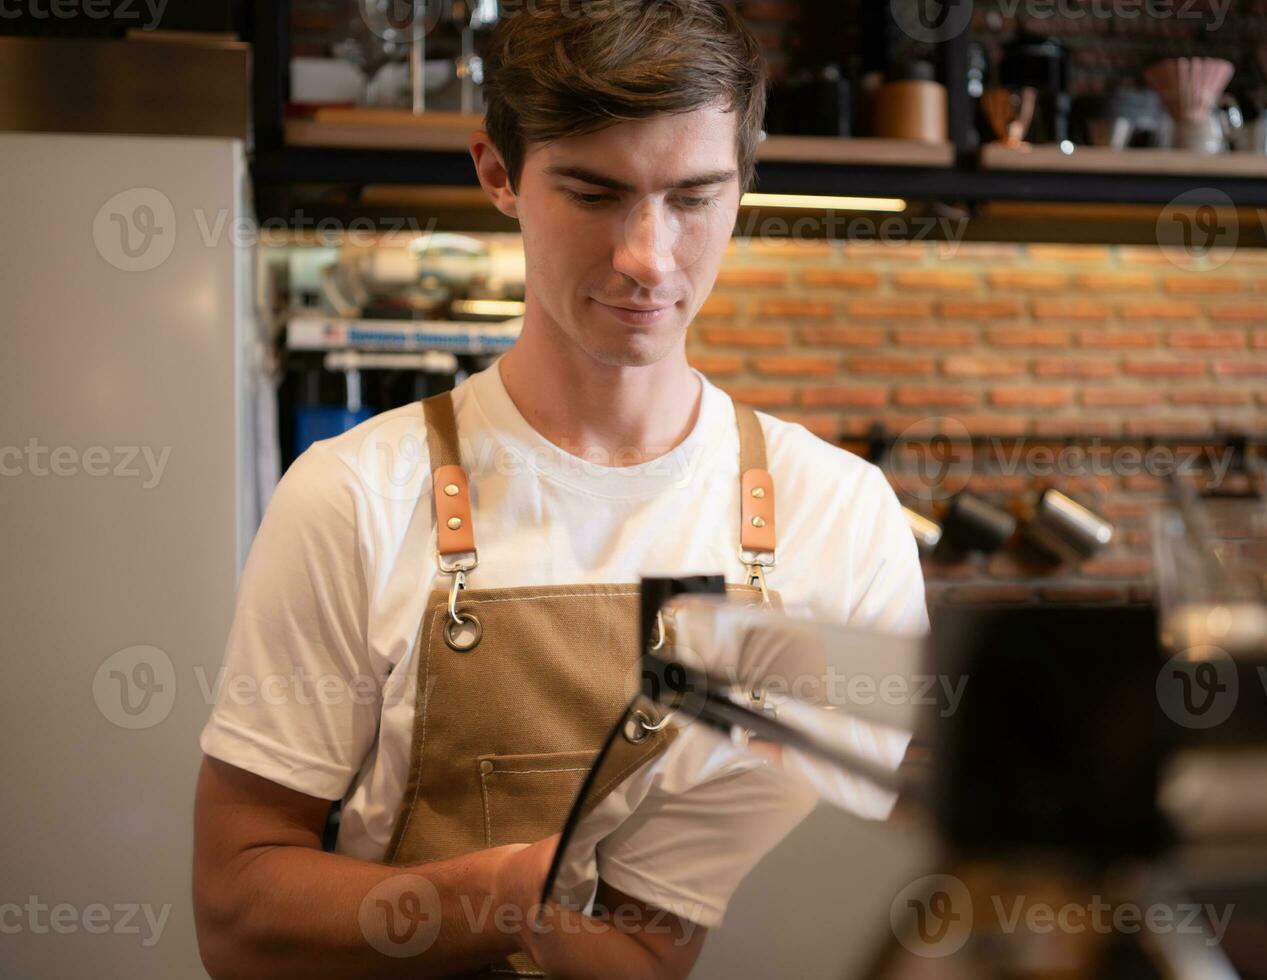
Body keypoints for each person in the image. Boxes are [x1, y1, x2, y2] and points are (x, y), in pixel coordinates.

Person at [192, 3, 928, 977]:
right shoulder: (352, 497)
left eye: (695, 198)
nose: (647, 257)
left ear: (744, 185)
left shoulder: (845, 514)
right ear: (498, 173)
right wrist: (509, 897)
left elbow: (877, 902)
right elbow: (237, 912)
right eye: (593, 192)